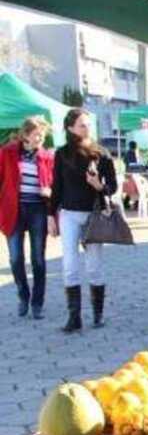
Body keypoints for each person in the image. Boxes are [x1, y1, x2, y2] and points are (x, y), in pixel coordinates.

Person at [50, 108, 118, 333]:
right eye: (82, 125)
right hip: (69, 214)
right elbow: (56, 187)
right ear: (70, 128)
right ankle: (74, 317)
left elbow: (113, 186)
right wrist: (51, 215)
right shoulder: (62, 154)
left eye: (88, 124)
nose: (86, 128)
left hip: (93, 215)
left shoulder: (101, 153)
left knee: (94, 266)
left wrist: (99, 185)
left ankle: (98, 315)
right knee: (69, 265)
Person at [1, 116, 54, 319]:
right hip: (13, 209)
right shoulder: (7, 152)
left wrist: (49, 192)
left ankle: (37, 302)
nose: (40, 138)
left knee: (38, 258)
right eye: (37, 134)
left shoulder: (47, 157)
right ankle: (23, 295)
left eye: (43, 135)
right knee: (16, 258)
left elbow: (53, 184)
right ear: (25, 134)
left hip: (37, 209)